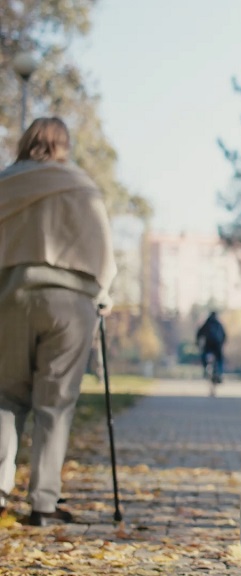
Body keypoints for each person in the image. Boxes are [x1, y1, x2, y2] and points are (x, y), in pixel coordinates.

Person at [0, 117, 117, 526]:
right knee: (54, 405)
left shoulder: (6, 182)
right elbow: (104, 252)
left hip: (10, 297)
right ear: (64, 145)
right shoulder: (81, 186)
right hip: (71, 304)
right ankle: (43, 503)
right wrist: (103, 294)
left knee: (5, 397)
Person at [196, 311, 227, 384]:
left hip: (208, 345)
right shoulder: (219, 324)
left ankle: (205, 370)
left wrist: (197, 343)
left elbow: (199, 333)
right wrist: (222, 344)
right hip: (217, 345)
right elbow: (224, 335)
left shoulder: (206, 323)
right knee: (220, 359)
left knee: (203, 356)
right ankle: (220, 373)